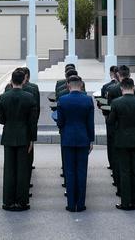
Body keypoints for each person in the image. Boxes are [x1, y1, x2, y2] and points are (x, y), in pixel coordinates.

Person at [0, 69, 36, 211]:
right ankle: (22, 201)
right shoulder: (29, 97)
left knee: (9, 169)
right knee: (23, 170)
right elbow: (32, 122)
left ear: (12, 81)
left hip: (9, 134)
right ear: (24, 80)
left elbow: (1, 120)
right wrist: (32, 139)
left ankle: (8, 201)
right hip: (24, 135)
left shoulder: (3, 97)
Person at [107, 76, 135, 211]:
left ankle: (125, 201)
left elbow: (111, 122)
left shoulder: (116, 103)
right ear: (134, 88)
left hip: (122, 140)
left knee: (124, 171)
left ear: (121, 88)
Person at [55, 75, 93, 212]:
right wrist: (91, 139)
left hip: (68, 138)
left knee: (70, 172)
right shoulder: (88, 100)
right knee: (82, 172)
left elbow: (60, 122)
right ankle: (81, 203)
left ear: (68, 85)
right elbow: (90, 122)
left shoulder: (62, 100)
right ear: (81, 85)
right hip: (83, 138)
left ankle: (71, 204)